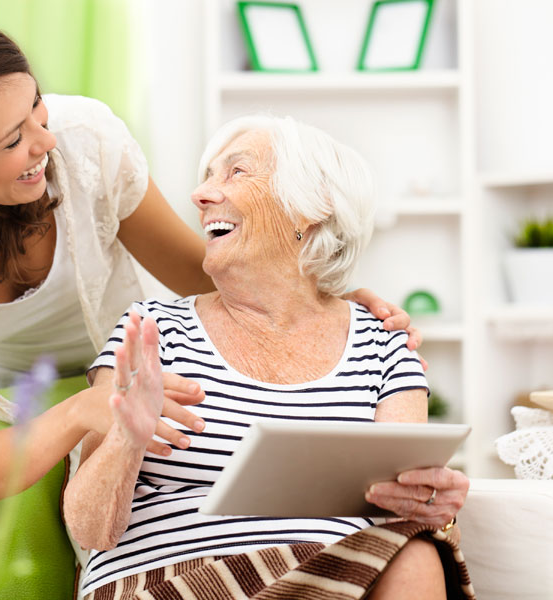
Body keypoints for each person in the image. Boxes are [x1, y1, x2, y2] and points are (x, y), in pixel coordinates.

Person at [0, 19, 418, 511]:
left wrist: (320, 300)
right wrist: (84, 411)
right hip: (9, 407)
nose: (46, 140)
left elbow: (201, 272)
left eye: (36, 104)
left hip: (123, 370)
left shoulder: (85, 142)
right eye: (14, 139)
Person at [63, 115, 474, 600]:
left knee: (419, 553)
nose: (201, 196)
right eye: (207, 177)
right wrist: (126, 440)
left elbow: (405, 507)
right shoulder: (152, 331)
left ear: (312, 207)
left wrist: (432, 504)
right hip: (169, 582)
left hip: (330, 581)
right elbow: (90, 532)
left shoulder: (382, 344)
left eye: (236, 173)